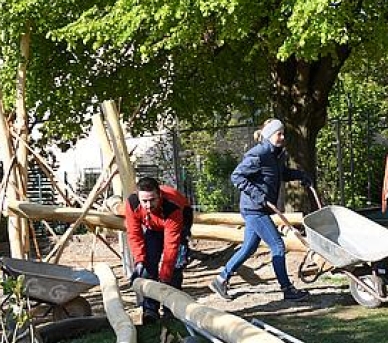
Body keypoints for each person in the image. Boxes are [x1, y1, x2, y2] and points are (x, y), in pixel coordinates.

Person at [211, 118, 312, 302]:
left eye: (283, 133)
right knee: (278, 246)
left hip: (260, 209)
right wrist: (258, 196)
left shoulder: (277, 154)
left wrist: (301, 175)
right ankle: (287, 288)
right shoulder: (260, 153)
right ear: (269, 135)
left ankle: (220, 279)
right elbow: (237, 176)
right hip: (254, 209)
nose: (282, 137)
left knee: (249, 247)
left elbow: (281, 174)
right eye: (278, 134)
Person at [123, 176, 193, 323]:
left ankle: (171, 309)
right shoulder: (132, 203)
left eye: (152, 200)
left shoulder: (171, 207)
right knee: (148, 264)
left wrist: (165, 277)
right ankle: (150, 310)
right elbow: (134, 234)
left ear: (159, 194)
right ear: (138, 197)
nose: (148, 205)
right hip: (153, 227)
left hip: (177, 225)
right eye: (144, 201)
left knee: (174, 267)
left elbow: (170, 247)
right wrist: (139, 261)